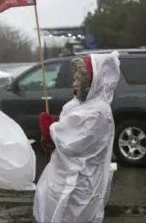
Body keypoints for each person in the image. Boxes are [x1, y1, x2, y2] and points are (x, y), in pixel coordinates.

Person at [33, 51, 120, 223]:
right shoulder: (80, 105)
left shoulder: (98, 111)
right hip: (64, 179)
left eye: (79, 79)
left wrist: (49, 130)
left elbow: (72, 143)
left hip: (79, 185)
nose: (74, 83)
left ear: (92, 82)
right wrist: (51, 139)